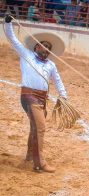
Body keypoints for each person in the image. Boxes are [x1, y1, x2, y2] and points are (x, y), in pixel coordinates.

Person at [4, 14, 68, 173]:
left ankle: (30, 155)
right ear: (36, 47)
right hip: (28, 96)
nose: (46, 49)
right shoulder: (27, 55)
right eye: (43, 46)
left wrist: (63, 95)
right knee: (40, 127)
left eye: (48, 47)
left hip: (42, 99)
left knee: (35, 127)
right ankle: (39, 163)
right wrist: (7, 24)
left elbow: (57, 80)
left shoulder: (51, 65)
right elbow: (12, 39)